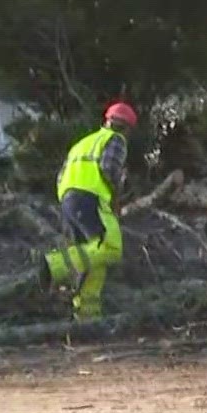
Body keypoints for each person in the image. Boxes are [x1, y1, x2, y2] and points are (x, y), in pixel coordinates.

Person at [44, 101, 137, 320]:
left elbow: (60, 176)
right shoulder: (115, 139)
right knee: (110, 247)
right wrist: (116, 196)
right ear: (127, 128)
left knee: (92, 256)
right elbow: (109, 168)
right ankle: (52, 265)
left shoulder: (82, 143)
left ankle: (87, 315)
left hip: (68, 200)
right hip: (90, 198)